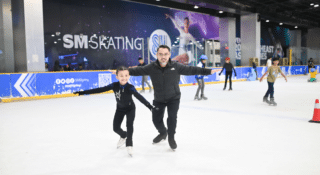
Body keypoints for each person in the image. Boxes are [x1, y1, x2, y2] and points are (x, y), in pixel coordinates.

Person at [128, 45, 221, 150]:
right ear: (157, 55)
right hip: (159, 99)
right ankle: (163, 133)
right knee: (156, 119)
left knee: (172, 118)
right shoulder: (151, 67)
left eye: (166, 54)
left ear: (169, 55)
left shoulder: (176, 66)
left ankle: (171, 138)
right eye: (161, 54)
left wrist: (208, 71)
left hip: (173, 98)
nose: (163, 56)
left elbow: (191, 69)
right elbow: (137, 71)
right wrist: (122, 72)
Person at [73, 66, 156, 157]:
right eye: (121, 76)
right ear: (117, 76)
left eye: (126, 75)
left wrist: (150, 107)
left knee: (129, 125)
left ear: (129, 76)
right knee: (115, 128)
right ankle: (123, 135)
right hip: (120, 109)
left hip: (130, 109)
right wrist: (82, 92)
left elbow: (140, 98)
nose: (124, 77)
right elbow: (100, 89)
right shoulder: (114, 85)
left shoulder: (130, 87)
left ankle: (129, 144)